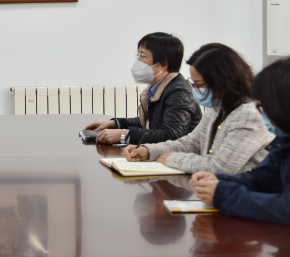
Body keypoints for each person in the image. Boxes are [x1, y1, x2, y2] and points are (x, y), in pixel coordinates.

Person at [124, 44, 273, 175]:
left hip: (245, 193)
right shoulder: (218, 107)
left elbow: (220, 167)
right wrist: (148, 150)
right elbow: (192, 142)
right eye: (193, 83)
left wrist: (173, 158)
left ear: (222, 81)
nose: (195, 89)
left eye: (199, 84)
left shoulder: (250, 114)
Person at [191, 56, 290, 225]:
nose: (263, 113)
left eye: (266, 106)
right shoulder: (285, 140)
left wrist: (223, 194)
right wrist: (218, 181)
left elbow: (286, 209)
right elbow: (262, 179)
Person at [84, 32, 201, 144]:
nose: (138, 61)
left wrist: (125, 135)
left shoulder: (179, 92)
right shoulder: (157, 87)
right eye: (138, 55)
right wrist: (115, 123)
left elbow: (171, 135)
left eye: (142, 56)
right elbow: (148, 122)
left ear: (164, 64)